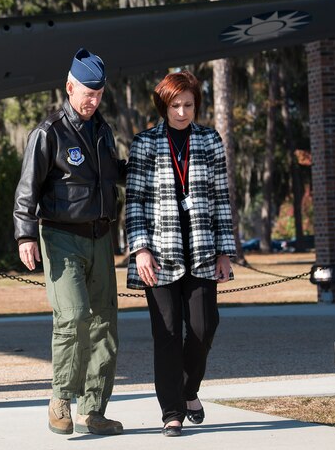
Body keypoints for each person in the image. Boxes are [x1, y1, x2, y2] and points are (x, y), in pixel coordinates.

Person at [13, 48, 125, 436]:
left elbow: (112, 176)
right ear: (69, 87)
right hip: (61, 237)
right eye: (86, 92)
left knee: (104, 325)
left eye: (98, 93)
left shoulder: (104, 132)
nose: (92, 100)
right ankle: (60, 398)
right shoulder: (49, 133)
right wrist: (25, 234)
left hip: (101, 238)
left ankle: (93, 410)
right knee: (73, 317)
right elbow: (27, 189)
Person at [124, 70, 236, 437]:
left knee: (205, 327)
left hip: (203, 250)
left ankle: (188, 391)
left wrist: (225, 252)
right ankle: (171, 412)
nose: (183, 112)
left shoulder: (209, 140)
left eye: (188, 105)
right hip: (159, 254)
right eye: (176, 105)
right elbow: (135, 202)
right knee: (167, 333)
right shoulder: (145, 143)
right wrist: (139, 249)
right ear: (164, 105)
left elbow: (222, 198)